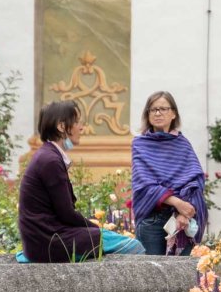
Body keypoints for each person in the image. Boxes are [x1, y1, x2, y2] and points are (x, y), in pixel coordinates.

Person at [18, 100, 146, 262]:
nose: (81, 128)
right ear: (61, 126)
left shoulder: (48, 155)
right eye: (77, 122)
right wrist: (98, 230)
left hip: (45, 239)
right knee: (134, 247)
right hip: (49, 242)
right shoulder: (50, 160)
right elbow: (66, 213)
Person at [130, 91, 208, 255]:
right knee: (151, 270)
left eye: (163, 109)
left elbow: (195, 181)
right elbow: (143, 184)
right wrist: (178, 203)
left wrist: (183, 213)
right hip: (152, 220)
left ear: (173, 114)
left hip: (182, 220)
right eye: (153, 109)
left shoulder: (183, 144)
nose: (158, 113)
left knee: (180, 271)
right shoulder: (140, 144)